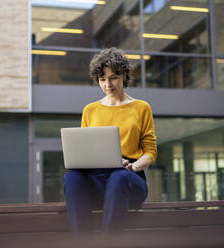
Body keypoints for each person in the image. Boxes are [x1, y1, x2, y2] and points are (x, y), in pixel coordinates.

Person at [63, 47, 157, 235]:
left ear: (124, 75)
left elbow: (150, 153)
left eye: (113, 77)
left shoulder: (141, 108)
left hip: (129, 179)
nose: (108, 84)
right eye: (102, 79)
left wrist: (133, 166)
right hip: (97, 179)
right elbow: (85, 151)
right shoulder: (90, 110)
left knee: (118, 176)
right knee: (71, 177)